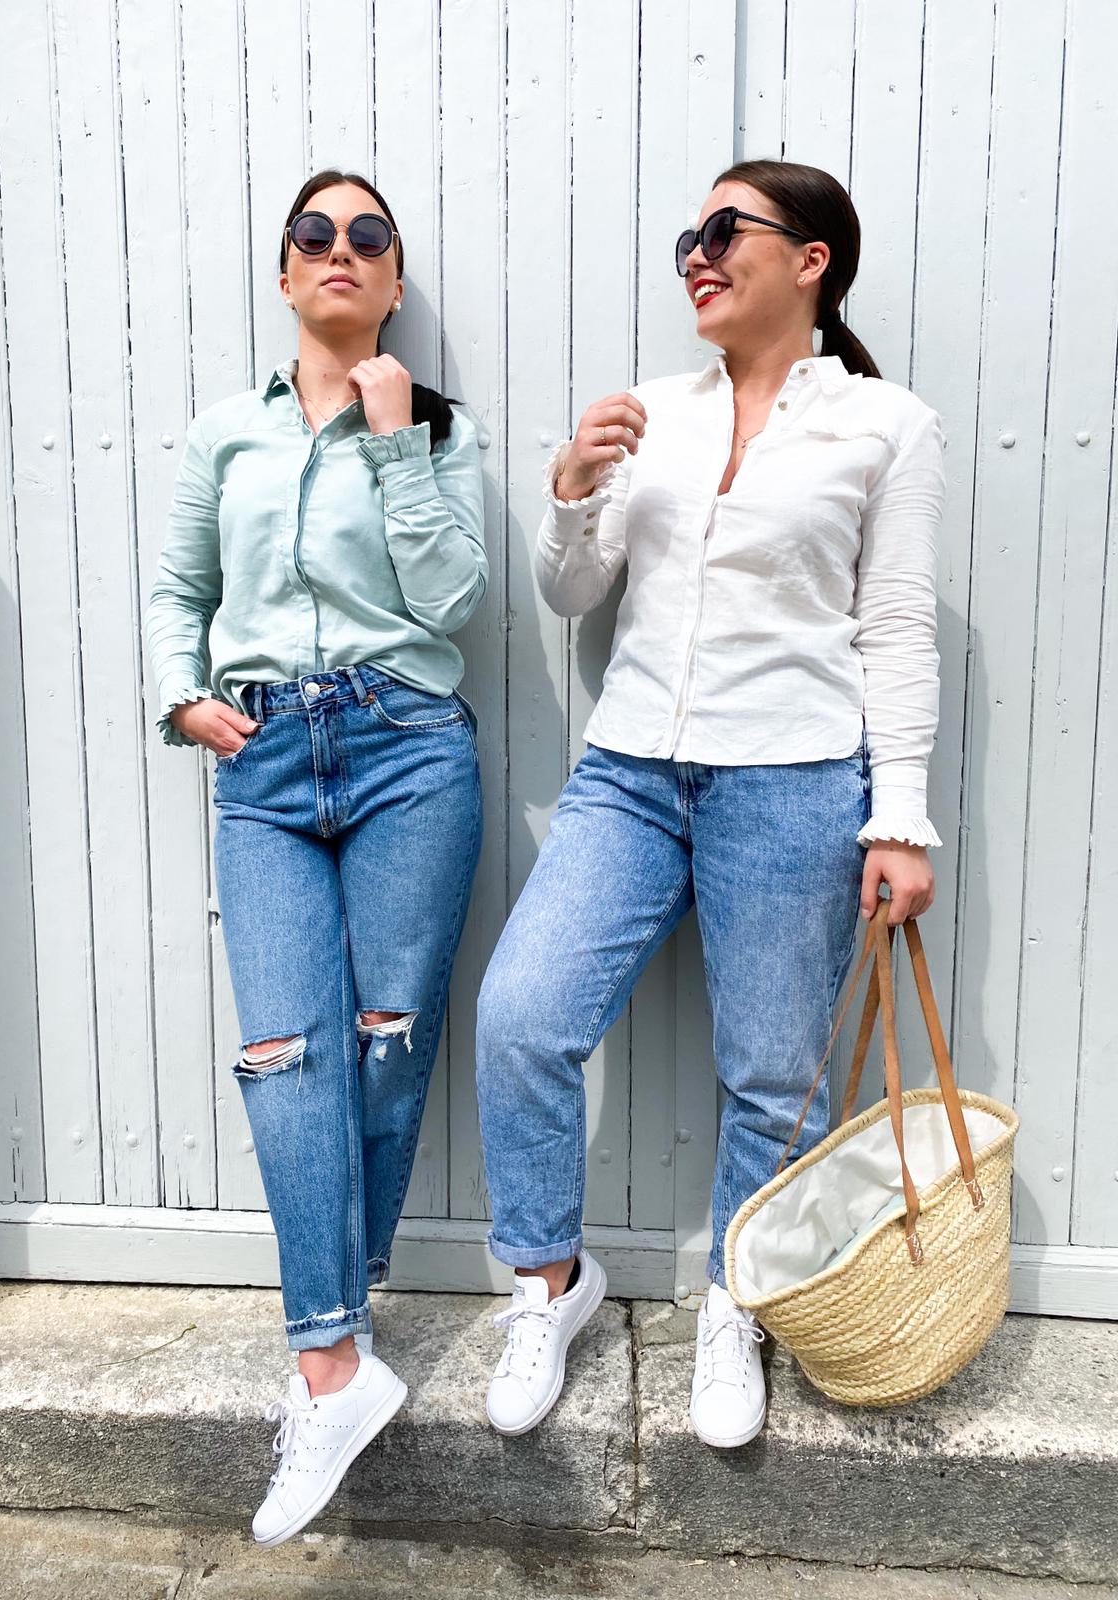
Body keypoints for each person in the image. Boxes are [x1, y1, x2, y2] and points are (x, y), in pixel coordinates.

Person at [475, 158, 943, 1450]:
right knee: (522, 1015)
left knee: (774, 1078)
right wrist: (572, 491)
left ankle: (741, 1301)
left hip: (793, 778)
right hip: (629, 773)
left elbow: (896, 627)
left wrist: (898, 817)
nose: (699, 252)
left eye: (727, 230)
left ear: (810, 260)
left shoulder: (885, 424)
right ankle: (549, 1284)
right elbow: (576, 594)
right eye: (690, 233)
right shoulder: (656, 414)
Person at [145, 169, 486, 1545]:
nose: (340, 250)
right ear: (285, 274)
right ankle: (333, 1364)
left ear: (393, 282)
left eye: (368, 237)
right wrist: (182, 697)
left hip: (409, 747)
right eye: (314, 235)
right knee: (287, 1052)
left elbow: (454, 601)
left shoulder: (438, 427)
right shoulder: (225, 432)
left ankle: (338, 1339)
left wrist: (397, 446)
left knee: (385, 1043)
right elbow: (181, 589)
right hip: (267, 764)